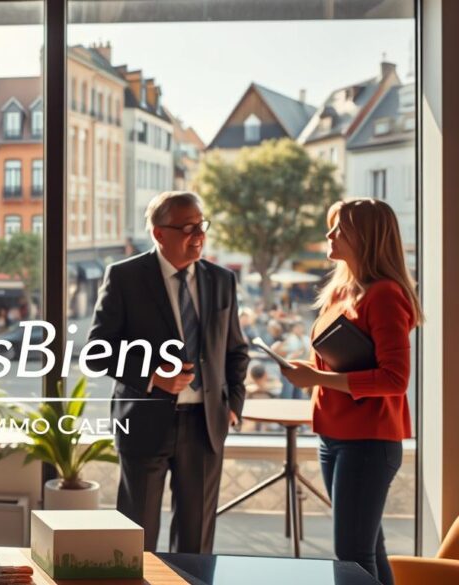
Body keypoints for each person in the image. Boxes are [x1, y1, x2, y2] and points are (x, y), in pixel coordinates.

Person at [88, 191, 249, 553]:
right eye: (189, 228)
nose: (199, 235)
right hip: (144, 421)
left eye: (202, 226)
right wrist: (152, 376)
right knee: (136, 542)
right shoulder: (125, 277)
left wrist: (232, 404)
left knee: (196, 545)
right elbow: (97, 351)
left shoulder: (222, 280)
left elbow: (236, 350)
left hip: (205, 426)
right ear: (159, 233)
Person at [280, 198, 422, 585]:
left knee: (352, 556)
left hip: (368, 442)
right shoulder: (342, 292)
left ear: (366, 237)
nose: (329, 234)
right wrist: (308, 371)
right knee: (367, 550)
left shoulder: (385, 295)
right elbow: (338, 363)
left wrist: (316, 379)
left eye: (339, 228)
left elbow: (395, 379)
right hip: (336, 435)